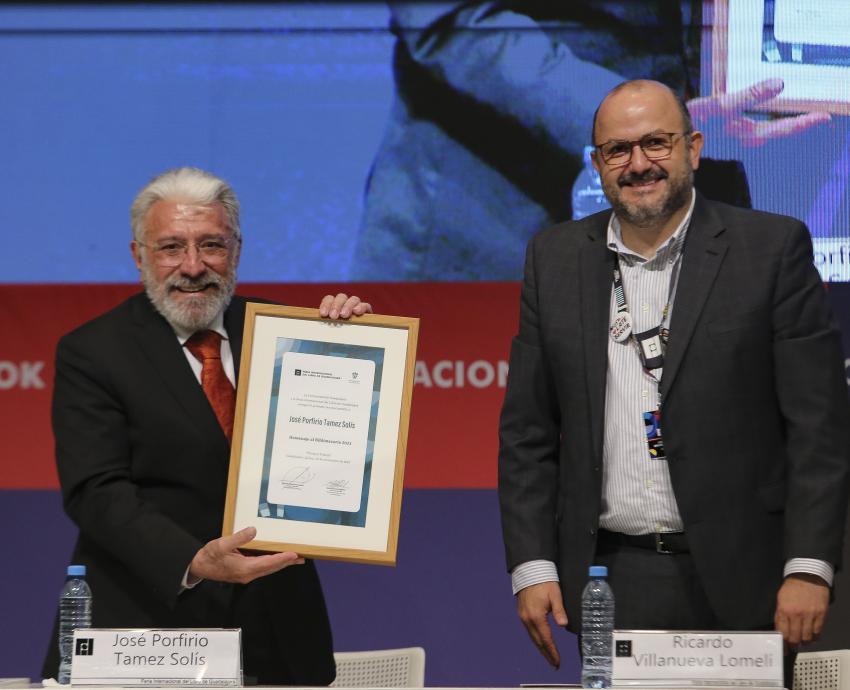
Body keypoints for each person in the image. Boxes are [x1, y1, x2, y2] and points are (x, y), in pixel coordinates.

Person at [498, 80, 850, 675]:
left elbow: (820, 429)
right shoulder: (553, 259)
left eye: (656, 143)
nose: (638, 164)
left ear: (694, 147)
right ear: (598, 164)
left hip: (750, 578)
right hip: (611, 579)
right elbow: (527, 436)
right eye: (618, 150)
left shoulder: (769, 249)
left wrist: (809, 566)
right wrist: (532, 568)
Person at [42, 167, 372, 685]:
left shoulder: (292, 334)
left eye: (211, 245)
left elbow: (343, 457)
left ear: (237, 250)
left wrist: (354, 352)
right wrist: (193, 560)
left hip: (279, 632)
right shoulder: (94, 352)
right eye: (171, 246)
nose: (192, 267)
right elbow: (96, 491)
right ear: (139, 256)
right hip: (148, 632)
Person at [353, 1, 834, 281]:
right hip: (492, 213)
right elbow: (451, 17)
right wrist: (634, 123)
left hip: (708, 195)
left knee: (666, 445)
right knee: (458, 446)